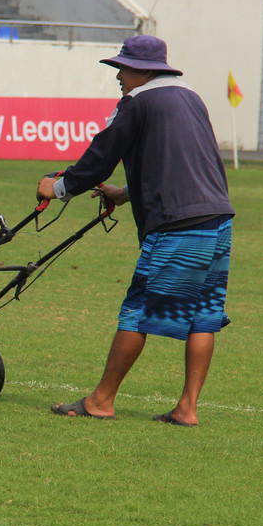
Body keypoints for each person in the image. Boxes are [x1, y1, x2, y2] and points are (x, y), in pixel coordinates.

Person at [36, 34, 233, 427]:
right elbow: (184, 162)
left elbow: (100, 157)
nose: (119, 78)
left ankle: (101, 401)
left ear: (143, 71)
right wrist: (125, 195)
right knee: (204, 315)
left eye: (122, 70)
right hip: (218, 219)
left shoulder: (137, 102)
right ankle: (187, 408)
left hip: (177, 226)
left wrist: (57, 188)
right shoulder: (191, 98)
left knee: (137, 310)